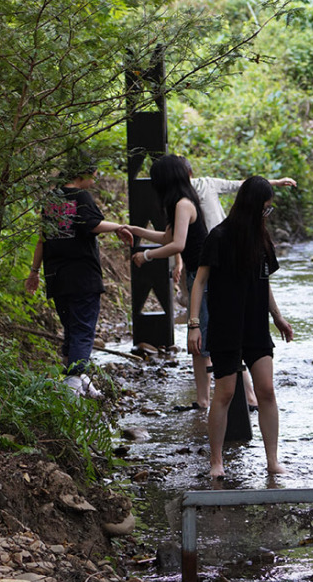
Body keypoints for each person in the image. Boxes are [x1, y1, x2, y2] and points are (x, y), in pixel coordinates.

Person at [187, 175, 293, 479]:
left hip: (256, 326)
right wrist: (195, 324)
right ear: (250, 206)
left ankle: (272, 460)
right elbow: (200, 282)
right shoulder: (219, 237)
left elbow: (264, 281)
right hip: (225, 327)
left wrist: (278, 316)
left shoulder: (261, 238)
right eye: (264, 209)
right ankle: (216, 462)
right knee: (224, 393)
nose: (266, 215)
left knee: (267, 390)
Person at [25, 153, 133, 398]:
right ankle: (72, 388)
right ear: (82, 173)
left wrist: (34, 272)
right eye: (93, 175)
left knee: (72, 330)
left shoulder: (51, 199)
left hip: (57, 276)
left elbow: (43, 238)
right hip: (82, 276)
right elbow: (92, 224)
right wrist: (119, 227)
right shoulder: (81, 197)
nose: (94, 180)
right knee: (83, 330)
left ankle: (79, 380)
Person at [127, 154, 212, 407]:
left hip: (203, 277)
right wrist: (137, 231)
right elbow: (168, 238)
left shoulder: (183, 204)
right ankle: (203, 400)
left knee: (201, 338)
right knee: (200, 339)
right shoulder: (182, 202)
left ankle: (210, 400)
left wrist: (146, 255)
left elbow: (178, 244)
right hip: (197, 275)